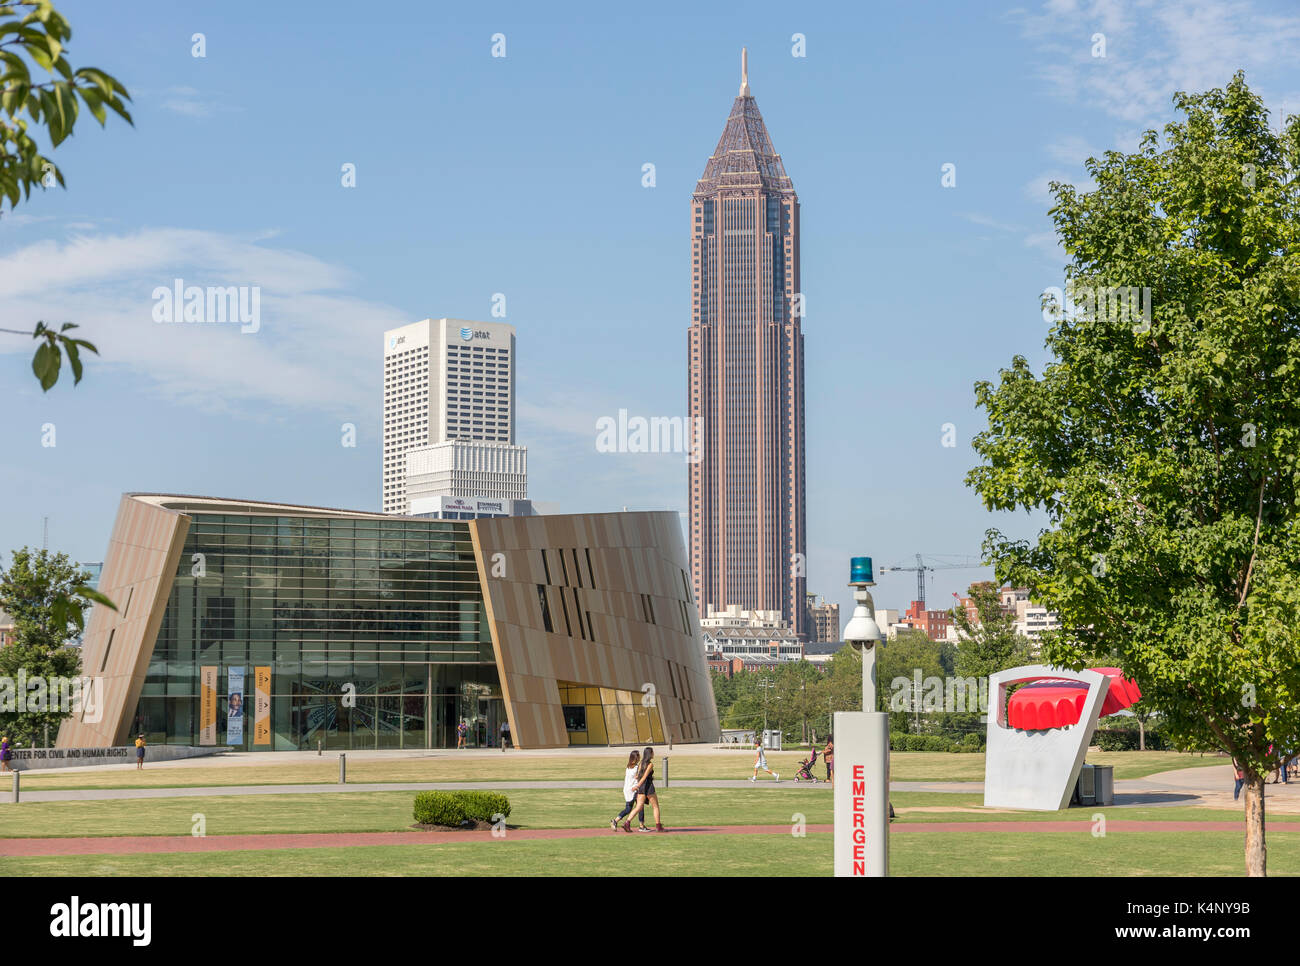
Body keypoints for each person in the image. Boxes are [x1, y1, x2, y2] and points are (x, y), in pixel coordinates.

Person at [623, 746, 664, 832]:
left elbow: (639, 775)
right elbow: (644, 777)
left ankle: (627, 823)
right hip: (648, 787)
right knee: (655, 806)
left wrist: (638, 782)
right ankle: (658, 826)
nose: (653, 754)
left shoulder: (641, 763)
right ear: (650, 754)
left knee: (638, 807)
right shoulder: (650, 764)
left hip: (641, 788)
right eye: (652, 752)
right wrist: (637, 786)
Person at [610, 750, 642, 830]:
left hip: (627, 789)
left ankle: (615, 820)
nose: (639, 757)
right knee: (640, 806)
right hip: (633, 790)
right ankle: (641, 826)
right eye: (638, 756)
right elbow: (638, 777)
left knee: (628, 809)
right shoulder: (636, 768)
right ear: (636, 758)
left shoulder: (628, 767)